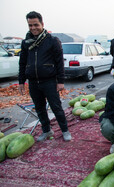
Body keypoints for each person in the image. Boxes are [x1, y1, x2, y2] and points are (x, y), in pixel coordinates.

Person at [18, 11, 71, 142]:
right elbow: (22, 62)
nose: (33, 28)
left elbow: (59, 62)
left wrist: (61, 81)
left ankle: (65, 130)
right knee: (40, 108)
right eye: (30, 25)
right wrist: (21, 81)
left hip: (50, 81)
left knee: (56, 107)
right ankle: (47, 130)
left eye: (36, 24)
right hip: (33, 82)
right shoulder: (26, 42)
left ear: (42, 24)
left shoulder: (52, 41)